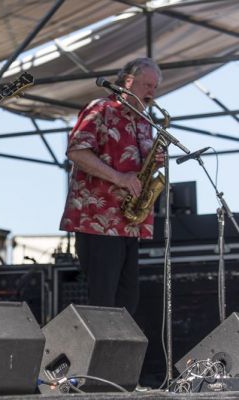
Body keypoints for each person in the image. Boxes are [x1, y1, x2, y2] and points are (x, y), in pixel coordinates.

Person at [59, 57, 164, 315]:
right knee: (103, 304)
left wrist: (154, 163)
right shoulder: (101, 109)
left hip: (130, 223)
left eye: (155, 87)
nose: (152, 92)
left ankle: (120, 355)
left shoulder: (143, 121)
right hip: (99, 221)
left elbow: (139, 168)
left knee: (128, 304)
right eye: (147, 85)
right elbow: (76, 152)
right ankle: (100, 356)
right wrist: (120, 178)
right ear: (128, 82)